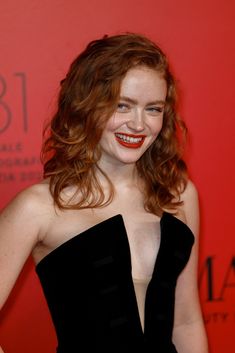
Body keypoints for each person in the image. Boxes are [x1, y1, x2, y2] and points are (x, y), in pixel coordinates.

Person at [0, 33, 208, 353]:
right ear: (86, 104)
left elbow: (186, 320)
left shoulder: (178, 193)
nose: (138, 124)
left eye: (153, 109)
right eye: (122, 105)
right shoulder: (39, 206)